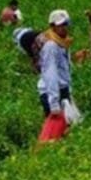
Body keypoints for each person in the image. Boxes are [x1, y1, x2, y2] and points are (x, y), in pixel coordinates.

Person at [37, 10, 74, 141]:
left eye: (66, 24)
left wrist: (68, 91)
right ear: (52, 26)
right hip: (53, 93)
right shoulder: (51, 46)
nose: (64, 27)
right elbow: (50, 74)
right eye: (61, 25)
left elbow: (64, 70)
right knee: (54, 134)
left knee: (65, 129)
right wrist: (54, 104)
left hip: (62, 91)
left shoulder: (63, 43)